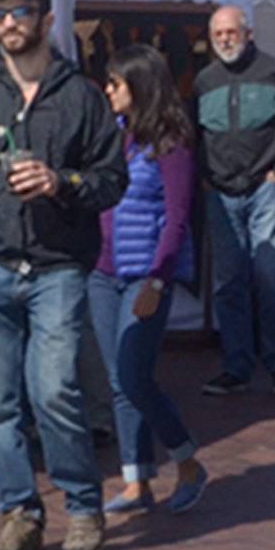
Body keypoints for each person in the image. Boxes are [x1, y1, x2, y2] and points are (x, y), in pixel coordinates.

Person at [0, 0, 127, 550]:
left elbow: (111, 180)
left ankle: (82, 507)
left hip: (56, 270)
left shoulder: (82, 97)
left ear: (47, 21)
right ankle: (19, 514)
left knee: (54, 392)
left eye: (22, 13)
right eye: (0, 15)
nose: (9, 24)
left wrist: (60, 182)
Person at [90, 44, 208, 515]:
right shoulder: (114, 137)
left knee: (135, 374)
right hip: (102, 272)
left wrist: (158, 280)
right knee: (119, 378)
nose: (109, 90)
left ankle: (187, 461)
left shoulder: (171, 143)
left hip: (145, 275)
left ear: (140, 86)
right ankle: (136, 479)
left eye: (116, 83)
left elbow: (178, 218)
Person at [196, 5, 275, 398]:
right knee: (229, 283)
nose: (225, 40)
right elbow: (195, 136)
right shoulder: (203, 81)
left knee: (269, 275)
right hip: (221, 191)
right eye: (218, 35)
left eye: (231, 32)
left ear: (248, 33)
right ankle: (237, 367)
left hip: (265, 187)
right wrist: (205, 178)